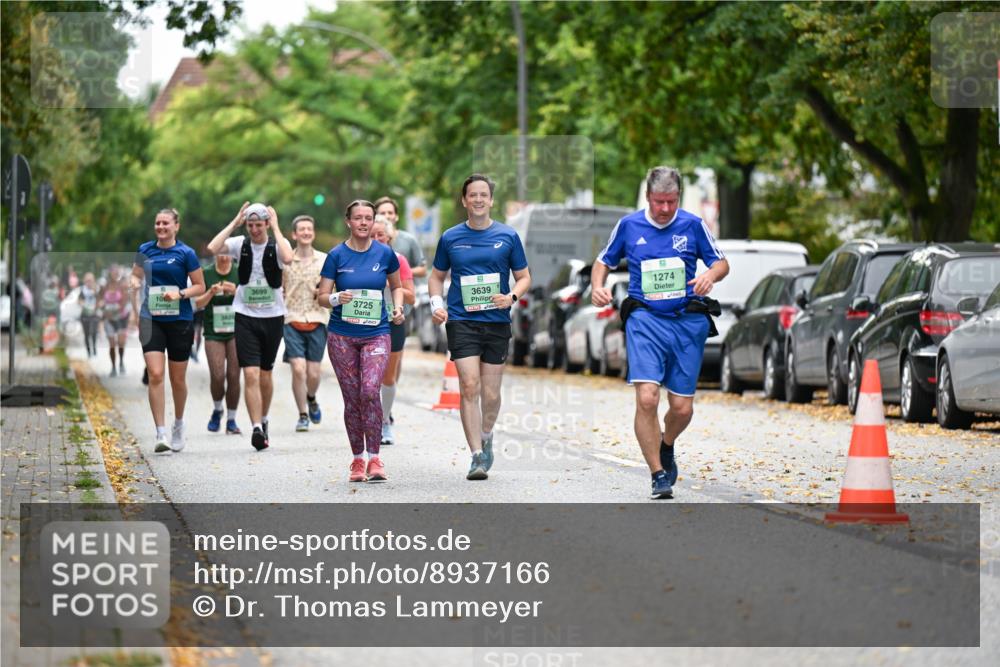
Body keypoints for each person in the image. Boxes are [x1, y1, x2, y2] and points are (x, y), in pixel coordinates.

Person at [591, 166, 729, 499]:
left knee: (682, 408)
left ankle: (667, 444)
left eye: (671, 201)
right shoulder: (629, 225)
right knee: (647, 397)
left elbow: (722, 263)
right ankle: (658, 473)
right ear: (648, 197)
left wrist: (711, 275)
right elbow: (602, 261)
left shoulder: (693, 225)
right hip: (645, 320)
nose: (665, 209)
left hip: (685, 321)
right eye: (658, 202)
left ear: (678, 197)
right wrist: (597, 286)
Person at [429, 174, 530, 481]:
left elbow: (525, 277)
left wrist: (511, 296)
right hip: (462, 320)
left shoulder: (508, 236)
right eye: (472, 195)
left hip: (497, 322)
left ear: (491, 200)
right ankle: (475, 455)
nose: (477, 199)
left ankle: (486, 434)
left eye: (483, 195)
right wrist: (437, 304)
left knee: (491, 394)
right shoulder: (450, 238)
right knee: (469, 386)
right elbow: (436, 277)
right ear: (464, 200)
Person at [317, 200, 405, 483]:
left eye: (369, 217)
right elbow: (321, 296)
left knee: (369, 390)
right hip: (342, 335)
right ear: (349, 222)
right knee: (352, 397)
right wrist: (335, 298)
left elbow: (397, 286)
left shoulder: (385, 253)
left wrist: (398, 307)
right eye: (358, 218)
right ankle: (357, 459)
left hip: (376, 332)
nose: (364, 223)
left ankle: (375, 457)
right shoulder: (336, 256)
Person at [207, 202, 293, 451]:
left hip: (273, 316)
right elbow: (213, 248)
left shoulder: (278, 244)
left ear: (266, 223)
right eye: (251, 225)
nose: (255, 229)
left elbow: (288, 258)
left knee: (265, 374)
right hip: (245, 315)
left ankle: (264, 420)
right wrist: (235, 223)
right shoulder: (239, 244)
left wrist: (276, 228)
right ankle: (255, 427)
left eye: (259, 224)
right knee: (251, 373)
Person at [129, 208, 206, 453]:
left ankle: (178, 424)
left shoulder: (186, 253)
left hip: (179, 319)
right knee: (155, 374)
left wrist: (180, 293)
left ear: (176, 226)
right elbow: (136, 276)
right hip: (151, 317)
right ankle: (160, 432)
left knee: (177, 379)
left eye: (165, 223)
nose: (161, 227)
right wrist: (133, 282)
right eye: (157, 223)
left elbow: (200, 286)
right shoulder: (145, 250)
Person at [281, 215, 330, 432]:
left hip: (317, 319)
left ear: (314, 233)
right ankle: (302, 414)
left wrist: (324, 292)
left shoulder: (324, 260)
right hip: (292, 318)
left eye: (309, 229)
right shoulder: (286, 260)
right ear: (294, 234)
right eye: (301, 229)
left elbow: (332, 291)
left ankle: (311, 397)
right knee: (298, 370)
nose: (306, 233)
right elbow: (279, 288)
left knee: (313, 373)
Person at [371, 215, 415, 445]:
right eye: (372, 235)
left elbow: (412, 296)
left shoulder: (398, 260)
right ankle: (369, 420)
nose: (377, 239)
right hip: (367, 321)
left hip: (392, 320)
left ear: (389, 238)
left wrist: (391, 284)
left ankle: (385, 421)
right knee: (368, 378)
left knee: (388, 376)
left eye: (381, 235)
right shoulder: (360, 259)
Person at [194, 253, 242, 435]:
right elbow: (197, 303)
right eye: (220, 252)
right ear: (214, 254)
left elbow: (251, 300)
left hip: (237, 330)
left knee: (234, 375)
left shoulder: (239, 272)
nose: (224, 256)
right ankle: (217, 409)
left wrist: (235, 291)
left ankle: (231, 419)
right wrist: (211, 292)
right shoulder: (206, 273)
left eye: (227, 251)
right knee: (217, 374)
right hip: (213, 330)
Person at [99, 265, 130, 376]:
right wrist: (103, 309)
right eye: (113, 272)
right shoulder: (105, 287)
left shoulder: (122, 286)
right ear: (110, 274)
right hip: (109, 319)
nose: (115, 274)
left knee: (121, 343)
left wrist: (113, 311)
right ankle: (113, 367)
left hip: (121, 318)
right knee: (112, 345)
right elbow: (100, 301)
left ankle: (121, 361)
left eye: (117, 273)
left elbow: (124, 302)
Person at [78, 272, 100, 358]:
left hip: (94, 315)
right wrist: (83, 304)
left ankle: (94, 349)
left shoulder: (97, 289)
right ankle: (89, 352)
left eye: (90, 280)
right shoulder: (82, 290)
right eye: (87, 280)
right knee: (87, 334)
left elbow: (100, 300)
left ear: (93, 281)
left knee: (94, 332)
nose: (89, 282)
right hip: (85, 315)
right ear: (84, 281)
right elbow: (79, 301)